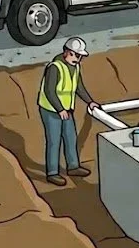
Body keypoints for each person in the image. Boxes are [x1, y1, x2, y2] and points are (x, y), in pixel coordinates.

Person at [37, 36, 99, 187]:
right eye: (76, 55)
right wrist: (59, 109)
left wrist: (90, 101)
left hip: (67, 109)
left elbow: (79, 87)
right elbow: (50, 91)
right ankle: (52, 172)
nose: (78, 59)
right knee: (54, 141)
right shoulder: (54, 67)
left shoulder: (75, 67)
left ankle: (73, 166)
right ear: (67, 52)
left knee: (70, 137)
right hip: (51, 110)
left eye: (79, 56)